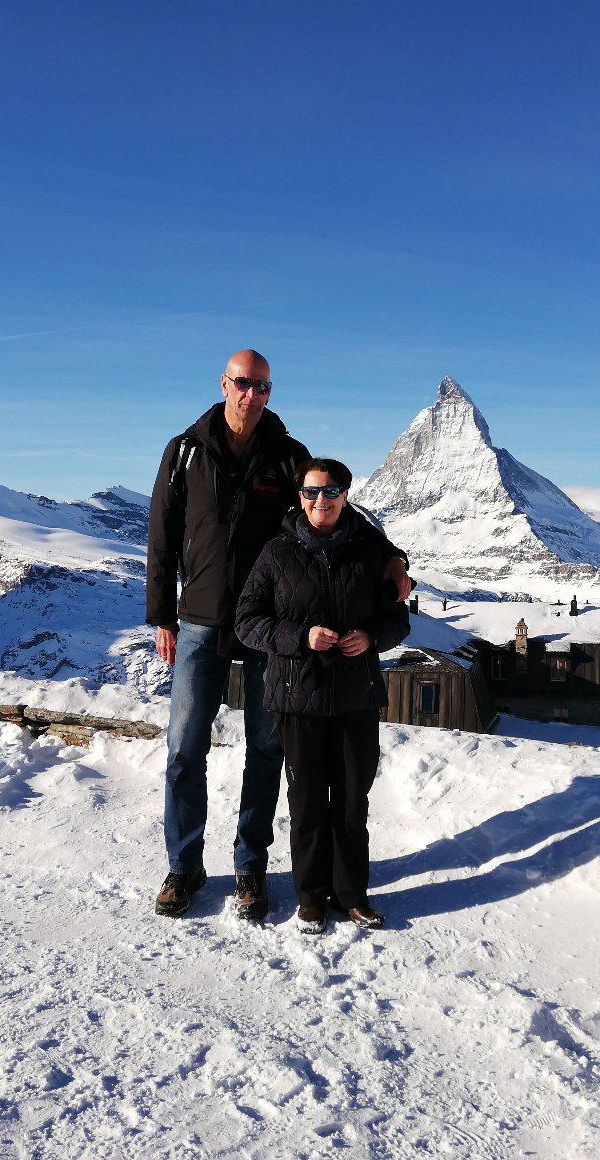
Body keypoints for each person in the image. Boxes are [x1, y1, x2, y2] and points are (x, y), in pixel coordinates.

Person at [147, 350, 410, 921]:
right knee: (185, 748)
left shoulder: (288, 455)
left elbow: (336, 509)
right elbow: (162, 538)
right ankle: (184, 866)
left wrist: (393, 559)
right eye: (243, 384)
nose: (252, 395)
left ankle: (250, 867)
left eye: (262, 387)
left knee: (266, 750)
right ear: (223, 384)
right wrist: (162, 616)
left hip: (273, 625)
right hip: (199, 619)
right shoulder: (184, 451)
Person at [235, 458, 410, 934]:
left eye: (331, 492)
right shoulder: (277, 553)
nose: (321, 501)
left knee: (353, 802)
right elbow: (247, 621)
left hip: (356, 696)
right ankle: (311, 897)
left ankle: (352, 894)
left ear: (346, 496)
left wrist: (372, 638)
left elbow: (399, 619)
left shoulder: (369, 552)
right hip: (298, 697)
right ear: (299, 498)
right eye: (312, 492)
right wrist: (298, 637)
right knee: (308, 802)